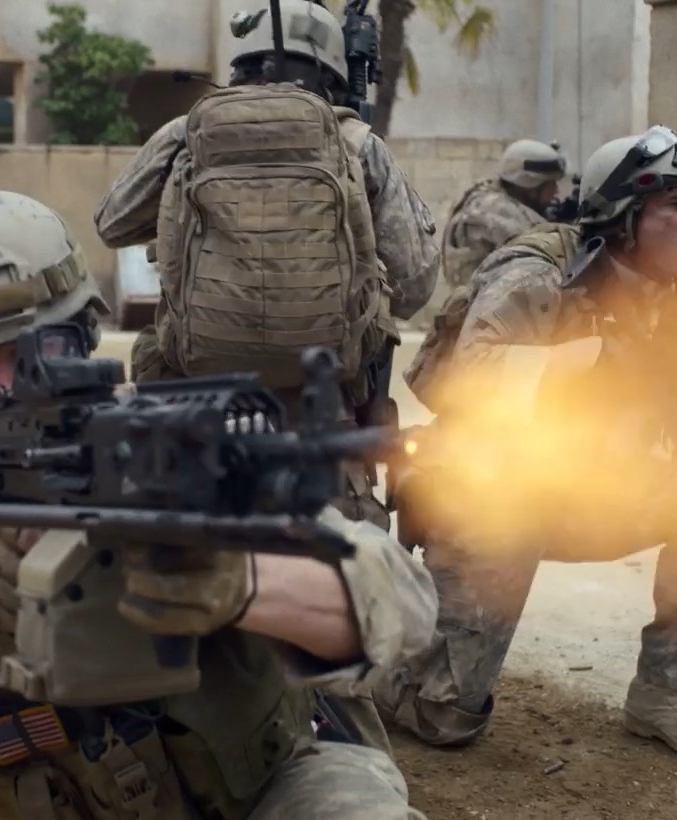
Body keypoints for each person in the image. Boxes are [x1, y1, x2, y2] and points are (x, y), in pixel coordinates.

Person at [0, 189, 438, 820]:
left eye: (35, 353)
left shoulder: (163, 443)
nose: (7, 389)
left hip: (264, 792)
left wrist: (239, 583)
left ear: (80, 343)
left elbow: (402, 605)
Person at [368, 126, 677, 761]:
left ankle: (664, 695)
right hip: (492, 494)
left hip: (590, 489)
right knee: (446, 718)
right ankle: (382, 676)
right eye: (675, 204)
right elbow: (470, 380)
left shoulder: (676, 296)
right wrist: (591, 357)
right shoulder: (537, 273)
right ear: (625, 215)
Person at [93, 0, 439, 752]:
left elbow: (111, 222)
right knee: (337, 628)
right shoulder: (356, 144)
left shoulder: (188, 134)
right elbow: (415, 285)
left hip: (195, 427)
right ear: (332, 67)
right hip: (324, 431)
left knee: (183, 611)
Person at [440, 138, 567, 288]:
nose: (556, 191)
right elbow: (548, 254)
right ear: (529, 184)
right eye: (550, 184)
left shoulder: (490, 198)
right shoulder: (494, 209)